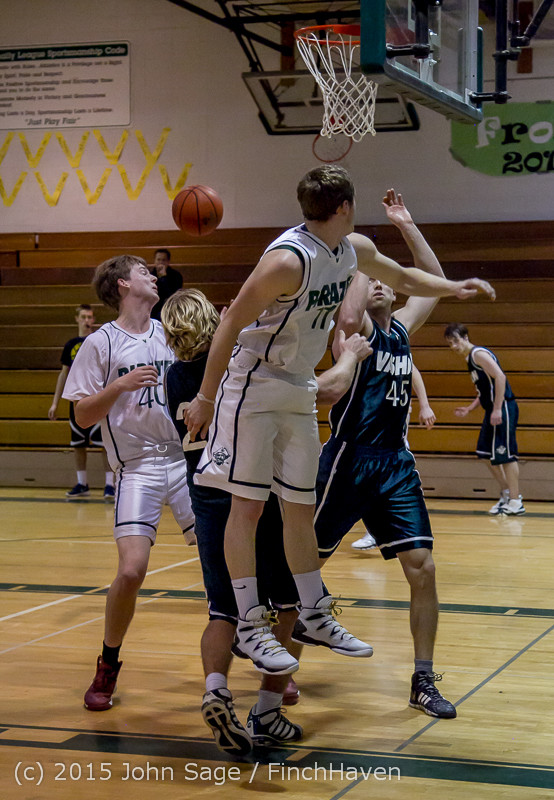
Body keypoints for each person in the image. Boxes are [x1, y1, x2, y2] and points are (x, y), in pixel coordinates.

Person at [184, 166, 494, 678]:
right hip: (255, 385)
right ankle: (249, 621)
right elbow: (231, 323)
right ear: (346, 205)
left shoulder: (352, 250)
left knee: (299, 506)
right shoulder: (286, 261)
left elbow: (407, 278)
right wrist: (204, 396)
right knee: (248, 507)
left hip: (298, 386)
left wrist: (455, 286)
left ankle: (312, 611)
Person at [162, 288, 372, 753]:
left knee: (223, 609)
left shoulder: (174, 377)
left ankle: (216, 688)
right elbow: (324, 392)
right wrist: (351, 354)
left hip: (204, 492)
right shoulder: (238, 360)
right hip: (252, 489)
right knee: (291, 602)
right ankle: (267, 708)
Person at [309, 188, 459, 719]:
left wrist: (405, 223)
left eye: (382, 280)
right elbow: (349, 315)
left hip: (394, 463)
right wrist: (358, 261)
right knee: (300, 568)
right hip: (347, 461)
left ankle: (422, 678)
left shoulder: (402, 328)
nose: (376, 283)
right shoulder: (357, 333)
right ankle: (276, 672)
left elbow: (432, 279)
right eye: (368, 278)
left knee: (423, 568)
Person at [62, 255, 195, 712]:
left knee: (228, 557)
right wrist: (119, 387)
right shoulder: (100, 343)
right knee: (131, 570)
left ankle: (262, 660)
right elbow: (80, 415)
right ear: (123, 285)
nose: (153, 277)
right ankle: (108, 662)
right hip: (137, 467)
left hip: (183, 462)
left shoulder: (170, 332)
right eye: (143, 271)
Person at [351, 363, 435, 551]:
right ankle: (380, 532)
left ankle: (381, 532)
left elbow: (414, 371)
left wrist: (425, 405)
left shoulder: (394, 349)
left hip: (391, 439)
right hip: (375, 434)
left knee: (377, 485)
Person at [444, 323, 524, 515]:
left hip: (503, 407)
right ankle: (506, 493)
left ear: (465, 337)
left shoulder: (478, 354)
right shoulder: (470, 359)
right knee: (485, 454)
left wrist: (497, 409)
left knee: (506, 455)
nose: (454, 346)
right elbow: (485, 390)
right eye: (449, 343)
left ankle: (515, 501)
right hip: (492, 410)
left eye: (456, 341)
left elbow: (500, 377)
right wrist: (470, 409)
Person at [48, 304, 114, 499]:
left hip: (96, 398)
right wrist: (55, 403)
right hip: (76, 400)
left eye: (90, 317)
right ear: (77, 319)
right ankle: (82, 483)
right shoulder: (71, 345)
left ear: (93, 320)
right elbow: (64, 373)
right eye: (83, 317)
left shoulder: (99, 342)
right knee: (78, 443)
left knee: (103, 443)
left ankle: (110, 485)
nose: (87, 320)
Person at [150, 248, 183, 320]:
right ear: (154, 261)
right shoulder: (149, 275)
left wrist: (163, 278)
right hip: (152, 308)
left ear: (168, 261)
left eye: (163, 260)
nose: (161, 262)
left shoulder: (176, 275)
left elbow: (173, 295)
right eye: (158, 260)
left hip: (169, 308)